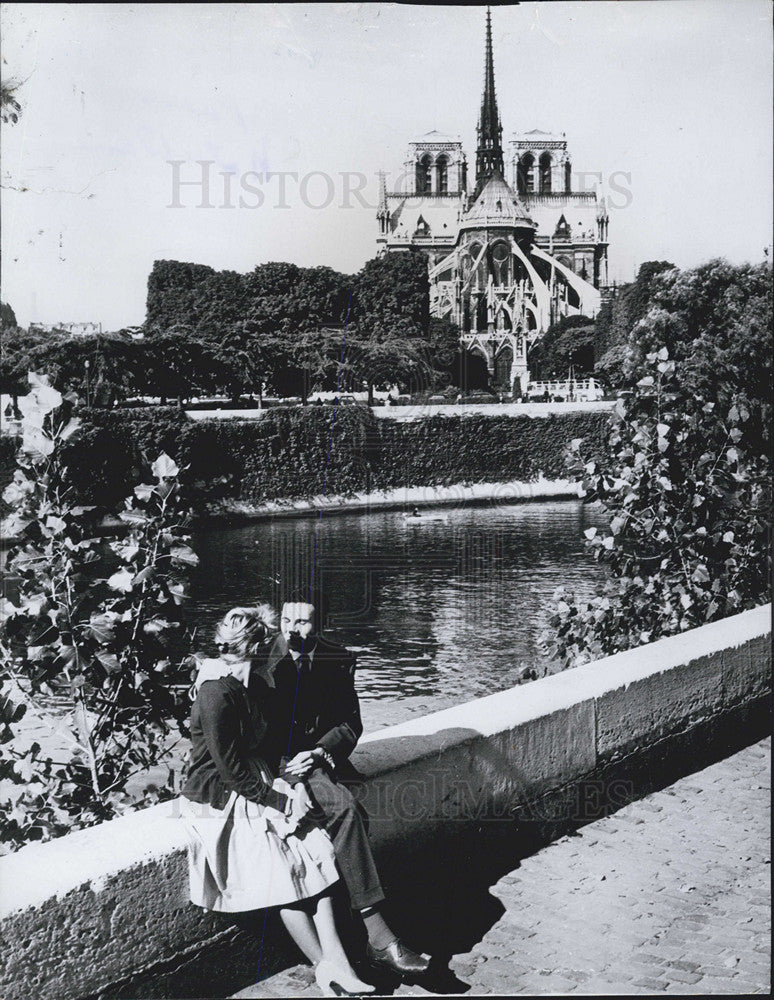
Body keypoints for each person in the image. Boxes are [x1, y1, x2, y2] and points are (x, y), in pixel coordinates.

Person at [179, 606, 374, 998]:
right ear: (255, 646)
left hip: (258, 785)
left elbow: (267, 751)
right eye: (270, 644)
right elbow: (230, 770)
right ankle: (325, 967)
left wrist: (293, 785)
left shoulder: (251, 684)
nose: (277, 651)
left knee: (314, 851)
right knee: (284, 869)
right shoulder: (216, 691)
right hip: (220, 797)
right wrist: (281, 803)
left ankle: (339, 963)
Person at [258, 587, 431, 981]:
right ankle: (378, 935)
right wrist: (289, 773)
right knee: (347, 811)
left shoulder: (337, 658)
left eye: (303, 621)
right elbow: (250, 729)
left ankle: (370, 937)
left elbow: (351, 722)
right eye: (287, 620)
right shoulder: (261, 658)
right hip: (275, 761)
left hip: (314, 758)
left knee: (350, 816)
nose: (293, 630)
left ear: (320, 623)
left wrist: (320, 752)